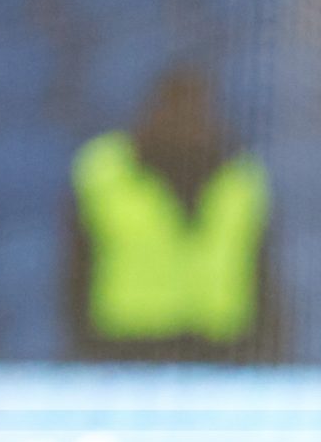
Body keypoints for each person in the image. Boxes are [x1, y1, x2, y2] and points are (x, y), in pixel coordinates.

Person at [65, 67, 285, 364]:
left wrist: (268, 349)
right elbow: (75, 269)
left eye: (196, 108)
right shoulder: (103, 172)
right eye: (175, 107)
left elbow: (264, 272)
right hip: (124, 350)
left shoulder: (241, 177)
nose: (185, 119)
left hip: (223, 351)